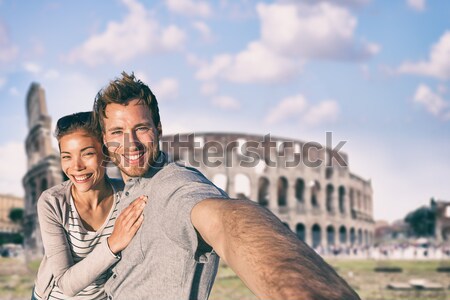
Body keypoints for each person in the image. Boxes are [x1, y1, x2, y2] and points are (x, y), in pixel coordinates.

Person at [94, 72, 361, 299]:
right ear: (104, 139)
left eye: (141, 128)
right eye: (117, 132)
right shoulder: (122, 190)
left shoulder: (173, 186)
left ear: (159, 130)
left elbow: (227, 221)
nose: (131, 143)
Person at [32, 112, 147, 300]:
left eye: (87, 154)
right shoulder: (52, 202)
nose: (76, 166)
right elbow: (66, 285)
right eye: (66, 157)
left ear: (107, 155)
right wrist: (113, 243)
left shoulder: (128, 197)